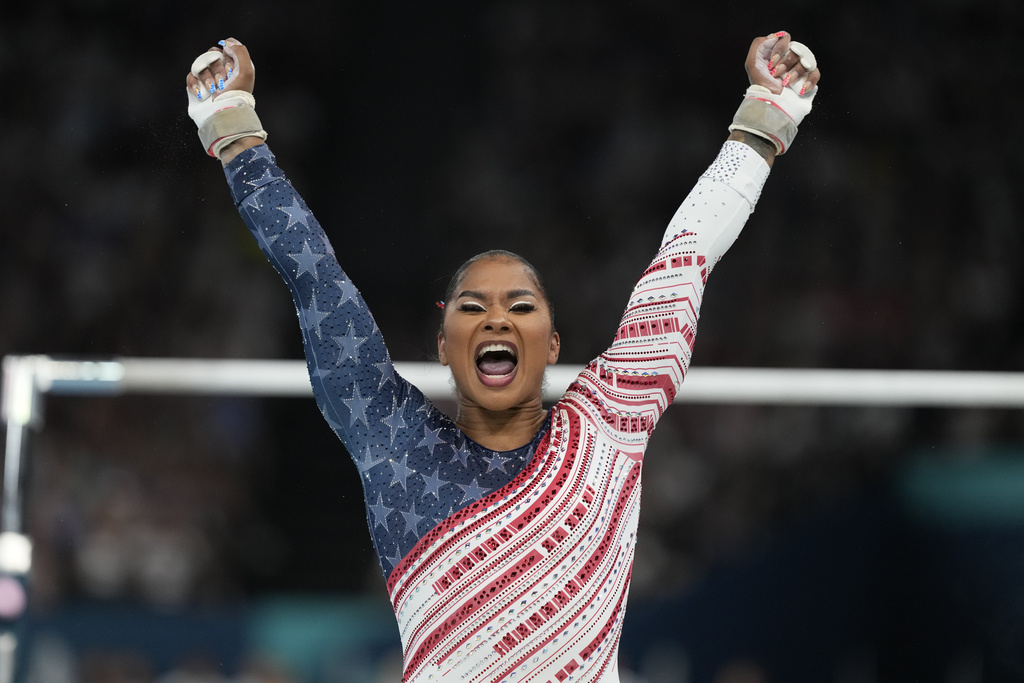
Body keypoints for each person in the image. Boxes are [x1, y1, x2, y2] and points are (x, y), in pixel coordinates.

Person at [184, 31, 820, 682]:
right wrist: (234, 129)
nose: (495, 317)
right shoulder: (395, 440)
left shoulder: (606, 422)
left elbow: (686, 257)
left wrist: (767, 114)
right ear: (442, 349)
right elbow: (314, 275)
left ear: (553, 345)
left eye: (521, 306)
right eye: (471, 307)